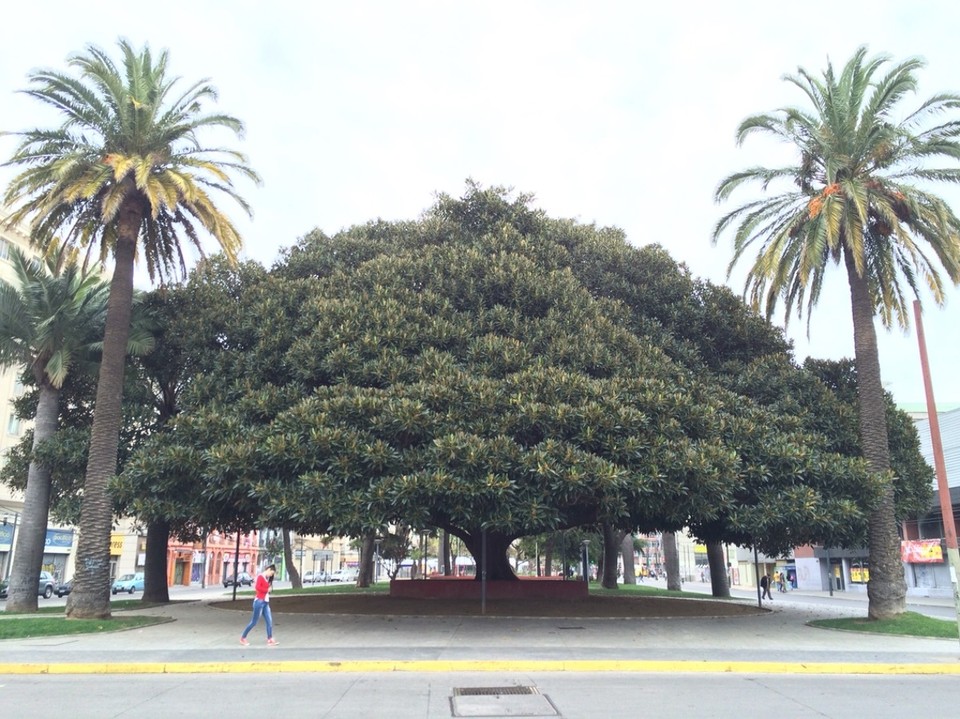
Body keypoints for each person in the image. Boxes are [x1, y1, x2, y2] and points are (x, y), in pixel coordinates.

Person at [240, 564, 278, 646]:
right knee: (254, 622)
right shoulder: (260, 577)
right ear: (268, 569)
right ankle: (243, 637)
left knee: (269, 621)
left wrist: (269, 588)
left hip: (265, 602)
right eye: (271, 573)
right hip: (259, 602)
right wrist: (267, 590)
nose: (271, 575)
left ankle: (270, 638)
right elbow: (257, 588)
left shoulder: (267, 578)